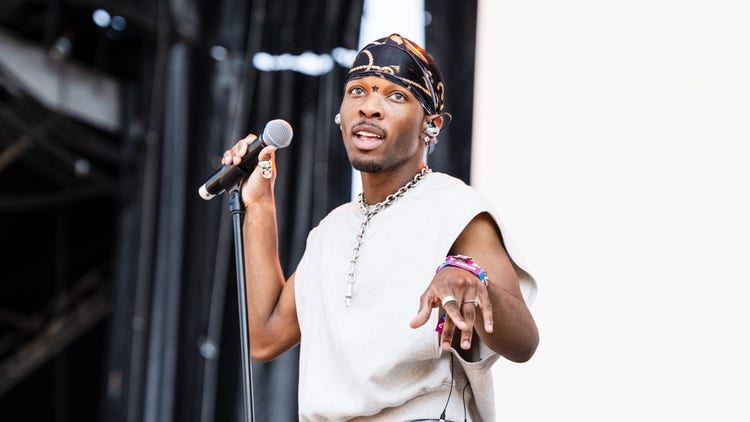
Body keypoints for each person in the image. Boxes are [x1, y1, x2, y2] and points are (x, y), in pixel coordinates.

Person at [222, 34, 539, 421]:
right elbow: (265, 337)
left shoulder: (454, 207)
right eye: (357, 91)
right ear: (340, 114)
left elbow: (524, 341)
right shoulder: (330, 231)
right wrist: (260, 202)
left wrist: (474, 281)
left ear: (431, 126)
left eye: (396, 95)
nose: (369, 107)